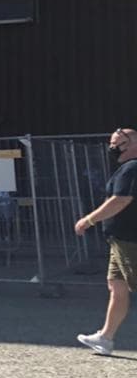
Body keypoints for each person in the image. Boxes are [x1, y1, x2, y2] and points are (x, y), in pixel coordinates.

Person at [75, 128, 137, 356]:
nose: (111, 148)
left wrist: (88, 220)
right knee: (116, 287)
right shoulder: (126, 168)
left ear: (130, 144)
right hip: (119, 239)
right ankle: (105, 337)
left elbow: (120, 200)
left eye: (116, 143)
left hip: (130, 240)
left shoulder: (132, 168)